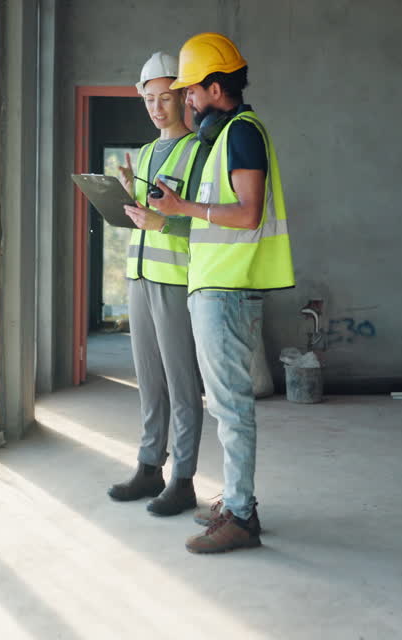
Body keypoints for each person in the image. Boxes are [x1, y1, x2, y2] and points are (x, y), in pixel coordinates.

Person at [148, 32, 295, 554]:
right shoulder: (227, 138)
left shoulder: (242, 133)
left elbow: (248, 213)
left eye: (190, 90)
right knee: (225, 405)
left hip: (228, 290)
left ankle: (241, 516)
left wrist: (182, 208)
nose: (186, 100)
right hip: (217, 286)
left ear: (215, 88)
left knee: (231, 407)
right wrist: (168, 216)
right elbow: (216, 218)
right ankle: (235, 503)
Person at [106, 51, 208, 517]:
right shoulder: (146, 153)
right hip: (140, 276)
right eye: (149, 99)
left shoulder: (198, 152)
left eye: (165, 97)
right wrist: (125, 196)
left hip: (175, 280)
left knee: (182, 384)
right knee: (149, 382)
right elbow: (143, 217)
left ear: (183, 97)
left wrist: (161, 223)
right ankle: (150, 468)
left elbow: (206, 223)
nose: (156, 107)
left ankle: (183, 479)